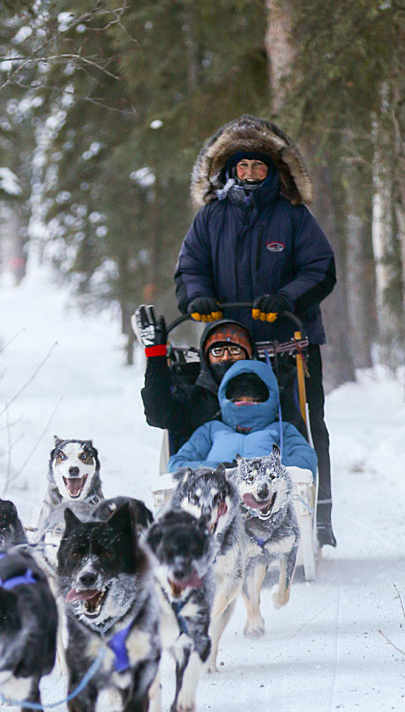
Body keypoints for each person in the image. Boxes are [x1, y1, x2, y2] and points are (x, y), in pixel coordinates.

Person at [173, 114, 336, 546]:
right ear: (228, 170)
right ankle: (217, 518)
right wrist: (198, 298)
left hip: (289, 344)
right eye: (241, 167)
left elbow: (321, 270)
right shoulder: (211, 218)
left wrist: (287, 297)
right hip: (228, 347)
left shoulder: (294, 217)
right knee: (220, 429)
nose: (249, 174)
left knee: (302, 425)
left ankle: (317, 517)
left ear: (272, 171)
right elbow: (189, 268)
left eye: (257, 167)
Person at [134, 306, 258, 453]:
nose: (226, 357)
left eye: (234, 350)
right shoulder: (195, 400)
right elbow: (158, 414)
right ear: (206, 358)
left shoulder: (267, 393)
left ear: (248, 355)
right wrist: (155, 356)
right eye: (217, 351)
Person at [167, 361, 318, 477]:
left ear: (269, 399)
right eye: (238, 399)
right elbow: (176, 465)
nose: (245, 404)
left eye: (253, 398)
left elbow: (306, 461)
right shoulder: (212, 430)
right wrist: (218, 469)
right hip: (215, 500)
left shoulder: (281, 429)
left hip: (268, 500)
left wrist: (260, 467)